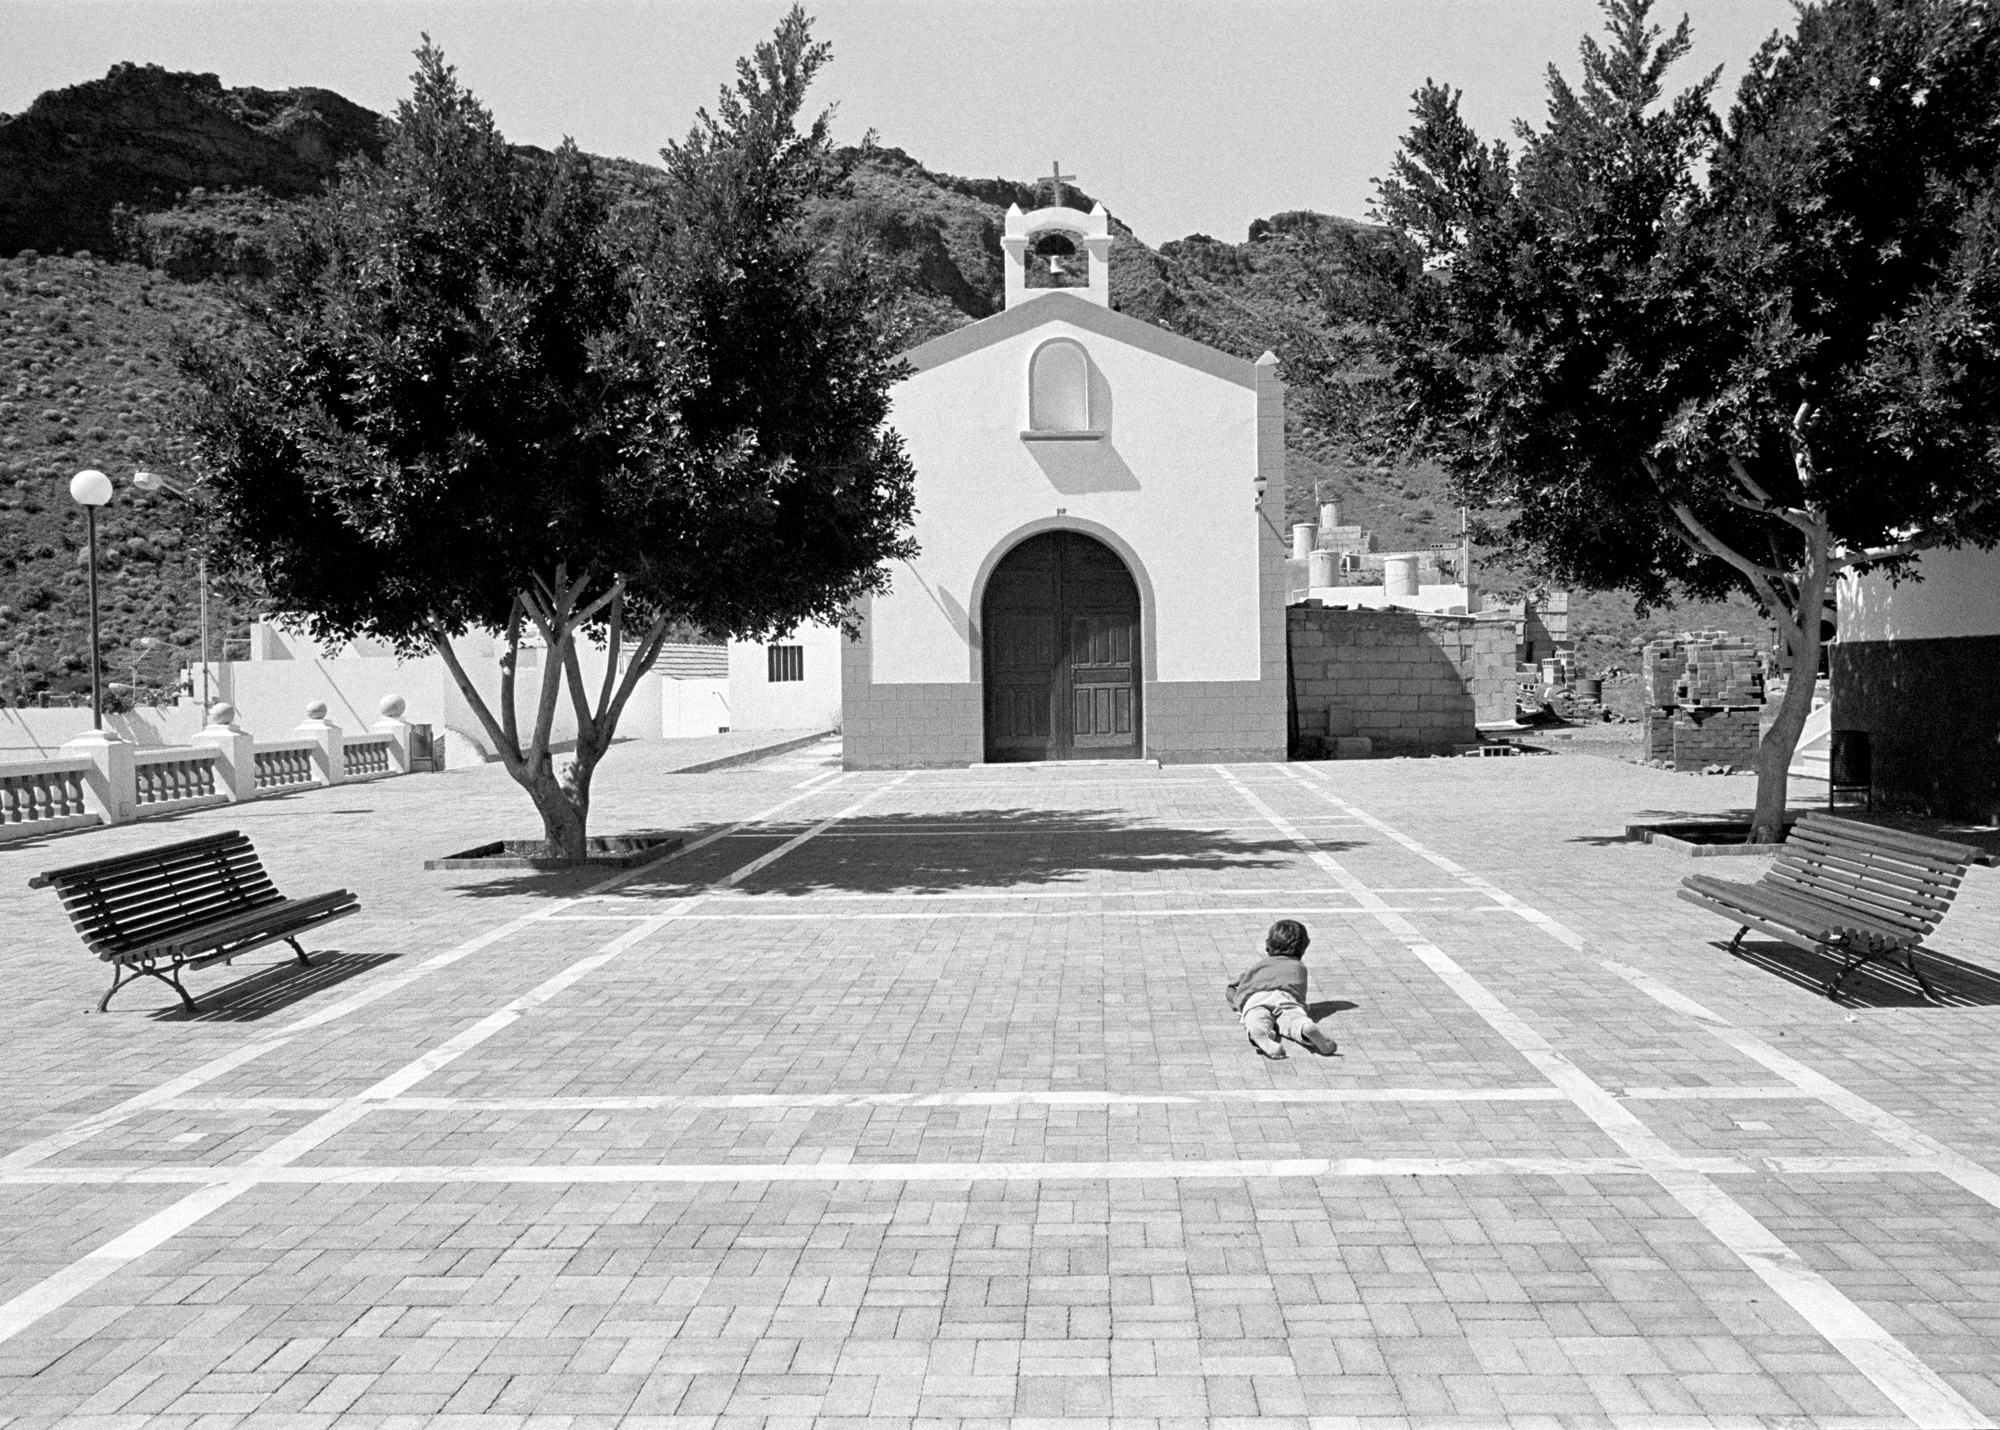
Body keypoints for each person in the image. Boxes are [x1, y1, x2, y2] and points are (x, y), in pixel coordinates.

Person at [1226, 919, 1337, 1059]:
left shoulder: (1260, 965)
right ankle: (1304, 1027)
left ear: (1268, 946)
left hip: (1256, 998)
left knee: (1256, 1017)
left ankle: (1259, 1032)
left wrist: (1237, 1002)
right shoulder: (1298, 967)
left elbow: (1236, 987)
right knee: (1291, 1018)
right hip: (1284, 997)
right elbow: (1298, 993)